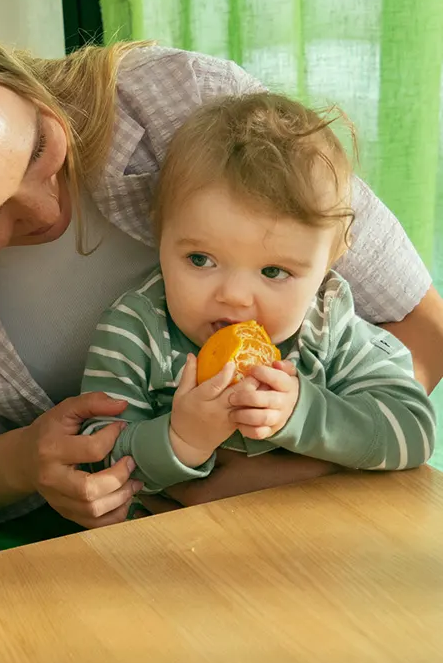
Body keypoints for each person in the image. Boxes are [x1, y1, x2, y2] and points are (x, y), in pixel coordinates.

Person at [0, 0, 443, 570]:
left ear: (22, 84)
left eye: (39, 149)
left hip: (302, 505)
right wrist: (27, 461)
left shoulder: (181, 105)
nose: (46, 208)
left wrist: (269, 462)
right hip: (31, 542)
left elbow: (422, 329)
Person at [79, 92, 435, 498]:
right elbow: (95, 457)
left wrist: (307, 412)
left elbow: (413, 430)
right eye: (200, 259)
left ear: (327, 267)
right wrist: (181, 439)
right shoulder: (136, 331)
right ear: (160, 235)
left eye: (273, 271)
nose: (234, 297)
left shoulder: (328, 331)